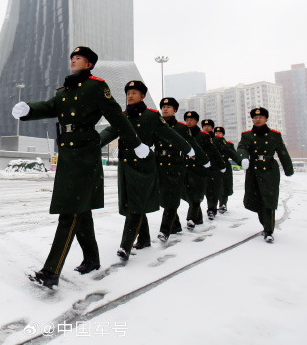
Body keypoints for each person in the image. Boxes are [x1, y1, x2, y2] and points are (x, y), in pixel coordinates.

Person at [12, 46, 149, 288]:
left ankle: (51, 271)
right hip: (67, 154)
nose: (74, 61)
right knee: (80, 209)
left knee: (70, 211)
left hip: (86, 154)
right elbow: (49, 106)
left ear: (89, 64)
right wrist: (29, 110)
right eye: (72, 58)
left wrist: (137, 143)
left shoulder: (96, 87)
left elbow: (117, 116)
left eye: (79, 58)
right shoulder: (63, 91)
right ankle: (92, 259)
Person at [99, 81, 192, 260]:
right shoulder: (122, 116)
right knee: (130, 204)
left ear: (143, 96)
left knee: (136, 204)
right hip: (125, 164)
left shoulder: (152, 116)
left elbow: (169, 134)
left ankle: (125, 246)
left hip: (144, 165)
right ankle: (144, 238)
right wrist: (93, 143)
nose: (130, 96)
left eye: (134, 93)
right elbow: (109, 132)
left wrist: (187, 148)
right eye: (128, 93)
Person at [237, 107, 294, 243]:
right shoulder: (247, 135)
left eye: (260, 117)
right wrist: (243, 158)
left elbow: (282, 151)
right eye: (255, 118)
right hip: (253, 170)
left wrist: (288, 169)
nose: (258, 120)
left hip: (269, 170)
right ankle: (265, 222)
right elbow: (242, 147)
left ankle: (269, 230)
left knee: (269, 200)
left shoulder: (274, 135)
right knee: (253, 199)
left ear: (266, 119)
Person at [154, 97, 198, 242]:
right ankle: (176, 225)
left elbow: (192, 146)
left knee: (172, 197)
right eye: (163, 106)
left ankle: (164, 230)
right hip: (160, 164)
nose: (165, 109)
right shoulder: (156, 125)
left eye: (169, 106)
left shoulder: (182, 128)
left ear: (175, 110)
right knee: (165, 197)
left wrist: (203, 161)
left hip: (176, 165)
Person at [180, 111, 211, 230]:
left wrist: (205, 163)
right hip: (185, 168)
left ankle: (191, 218)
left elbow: (210, 151)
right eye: (187, 120)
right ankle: (198, 218)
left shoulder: (203, 136)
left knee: (196, 195)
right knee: (188, 195)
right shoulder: (182, 133)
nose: (189, 122)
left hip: (198, 169)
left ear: (196, 121)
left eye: (191, 120)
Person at [200, 119, 226, 220]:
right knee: (204, 190)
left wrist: (222, 165)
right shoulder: (199, 137)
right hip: (202, 168)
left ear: (212, 127)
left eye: (209, 126)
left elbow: (224, 152)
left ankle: (212, 209)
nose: (206, 127)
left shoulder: (217, 139)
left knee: (213, 190)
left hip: (215, 167)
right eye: (204, 126)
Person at [213, 126, 240, 213]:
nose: (218, 134)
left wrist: (241, 162)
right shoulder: (211, 143)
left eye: (220, 133)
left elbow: (234, 155)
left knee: (225, 186)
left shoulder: (228, 144)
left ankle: (223, 204)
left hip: (225, 166)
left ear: (223, 134)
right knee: (214, 187)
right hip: (215, 166)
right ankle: (212, 206)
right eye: (216, 133)